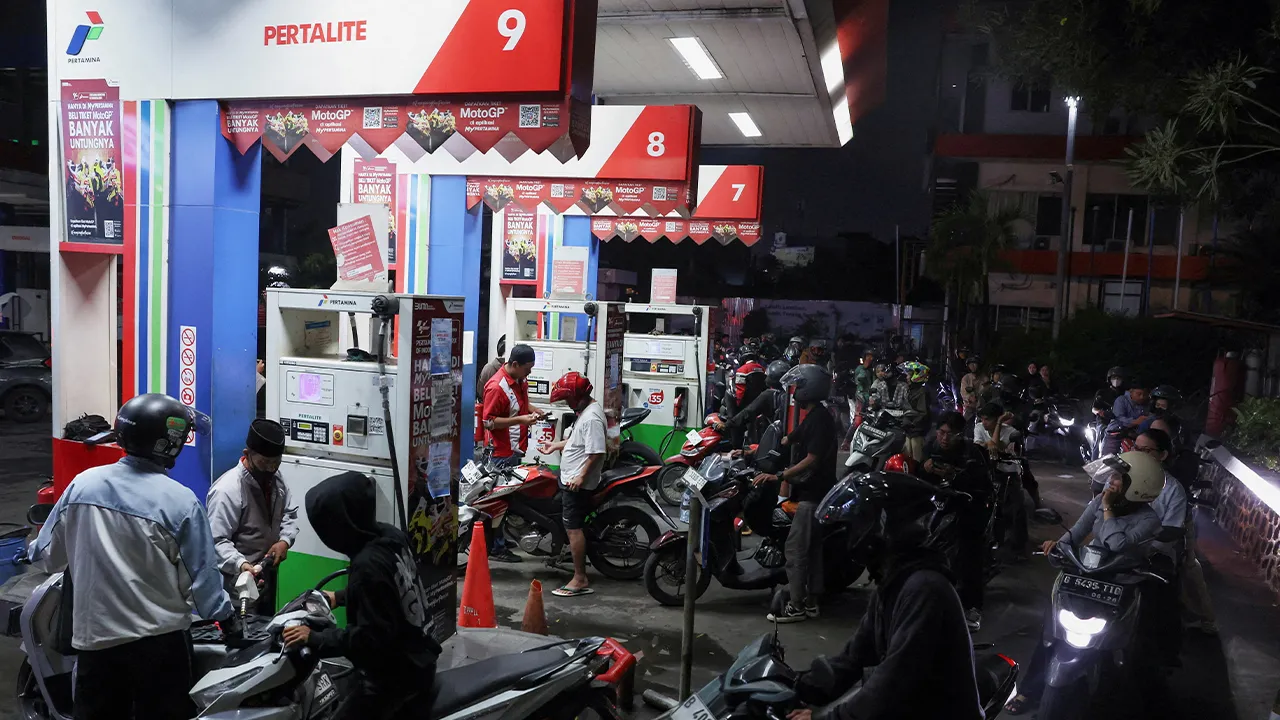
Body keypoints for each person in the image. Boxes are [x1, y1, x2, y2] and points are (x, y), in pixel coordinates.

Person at [29, 393, 241, 720]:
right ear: (168, 446)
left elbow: (47, 557)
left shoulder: (81, 486)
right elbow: (203, 585)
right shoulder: (180, 503)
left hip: (95, 648)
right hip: (159, 650)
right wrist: (229, 621)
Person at [787, 491, 984, 720]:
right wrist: (798, 687)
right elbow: (855, 656)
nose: (849, 535)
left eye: (856, 526)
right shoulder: (893, 583)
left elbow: (893, 681)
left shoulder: (925, 589)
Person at [1004, 450, 1165, 715]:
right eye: (1112, 476)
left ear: (1138, 488)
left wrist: (1108, 509)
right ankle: (1029, 690)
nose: (1111, 482)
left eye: (1118, 479)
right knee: (1050, 635)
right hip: (1087, 575)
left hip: (1123, 582)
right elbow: (1075, 535)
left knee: (1135, 645)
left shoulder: (1148, 520)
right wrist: (1057, 548)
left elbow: (1117, 544)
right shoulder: (1099, 503)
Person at [286, 471, 440, 720]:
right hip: (419, 655)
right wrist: (340, 596)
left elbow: (369, 641)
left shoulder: (365, 567)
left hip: (398, 678)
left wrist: (315, 638)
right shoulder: (390, 536)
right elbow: (390, 589)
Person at [756, 364, 839, 623]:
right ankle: (812, 603)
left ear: (809, 389)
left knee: (795, 551)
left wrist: (780, 475)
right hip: (814, 493)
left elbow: (812, 459)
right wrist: (754, 450)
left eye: (797, 388)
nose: (794, 394)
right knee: (811, 550)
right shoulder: (815, 416)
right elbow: (789, 438)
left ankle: (796, 606)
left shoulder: (820, 420)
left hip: (812, 495)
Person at [206, 418, 299, 614]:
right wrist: (242, 564)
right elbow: (216, 541)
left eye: (276, 463)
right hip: (237, 586)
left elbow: (289, 514)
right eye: (265, 463)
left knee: (264, 633)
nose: (271, 469)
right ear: (247, 454)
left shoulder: (275, 479)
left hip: (266, 577)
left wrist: (284, 541)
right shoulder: (228, 490)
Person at [538, 371, 607, 597]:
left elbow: (596, 451)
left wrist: (580, 476)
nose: (567, 403)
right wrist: (555, 446)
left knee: (573, 528)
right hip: (570, 477)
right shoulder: (586, 412)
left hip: (576, 484)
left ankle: (580, 578)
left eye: (568, 399)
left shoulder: (592, 418)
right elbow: (578, 441)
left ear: (577, 396)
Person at [922, 411, 990, 631]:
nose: (944, 438)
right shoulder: (931, 447)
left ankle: (973, 607)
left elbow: (982, 487)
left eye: (949, 434)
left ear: (960, 435)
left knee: (971, 552)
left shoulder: (972, 453)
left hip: (969, 506)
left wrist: (957, 476)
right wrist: (925, 469)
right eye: (941, 432)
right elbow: (920, 479)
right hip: (940, 503)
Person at [480, 343, 543, 562]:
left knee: (509, 501)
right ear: (514, 364)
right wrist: (520, 420)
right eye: (528, 368)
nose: (530, 372)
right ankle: (496, 547)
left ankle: (501, 539)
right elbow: (488, 422)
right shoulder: (496, 387)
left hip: (515, 449)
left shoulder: (519, 379)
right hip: (500, 452)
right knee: (499, 502)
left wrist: (535, 412)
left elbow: (520, 405)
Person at [1136, 428, 1189, 664]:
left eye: (1146, 450)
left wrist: (1146, 543)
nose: (1139, 454)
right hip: (1117, 552)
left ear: (1163, 455)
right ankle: (1029, 689)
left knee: (1156, 605)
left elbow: (1172, 530)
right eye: (1136, 449)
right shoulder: (1119, 478)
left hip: (1154, 556)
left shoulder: (1173, 490)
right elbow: (1093, 516)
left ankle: (1162, 656)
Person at [717, 359, 788, 444]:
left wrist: (727, 425)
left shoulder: (768, 395)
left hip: (771, 440)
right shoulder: (788, 394)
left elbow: (748, 412)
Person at [888, 361, 931, 462]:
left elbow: (922, 413)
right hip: (909, 431)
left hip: (917, 431)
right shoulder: (911, 390)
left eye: (908, 374)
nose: (906, 377)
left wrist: (911, 422)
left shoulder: (922, 392)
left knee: (917, 460)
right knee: (907, 458)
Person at [1103, 379, 1151, 455]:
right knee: (1108, 459)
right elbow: (1119, 418)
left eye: (1144, 395)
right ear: (1131, 392)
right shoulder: (1121, 400)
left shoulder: (1146, 404)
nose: (1142, 397)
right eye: (1139, 394)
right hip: (1116, 433)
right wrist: (1135, 422)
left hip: (1135, 435)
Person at [959, 355, 986, 422]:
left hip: (981, 407)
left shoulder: (985, 378)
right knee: (964, 423)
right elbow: (963, 392)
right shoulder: (966, 378)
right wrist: (969, 397)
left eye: (975, 364)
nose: (973, 366)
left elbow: (986, 392)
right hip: (968, 407)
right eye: (970, 364)